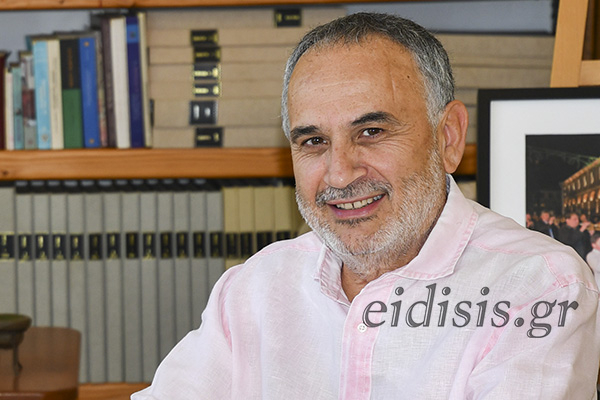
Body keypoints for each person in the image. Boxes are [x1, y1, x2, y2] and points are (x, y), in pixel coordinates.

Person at [133, 13, 599, 399]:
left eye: (371, 132)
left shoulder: (542, 289)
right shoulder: (253, 289)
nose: (339, 174)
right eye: (313, 141)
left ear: (448, 137)